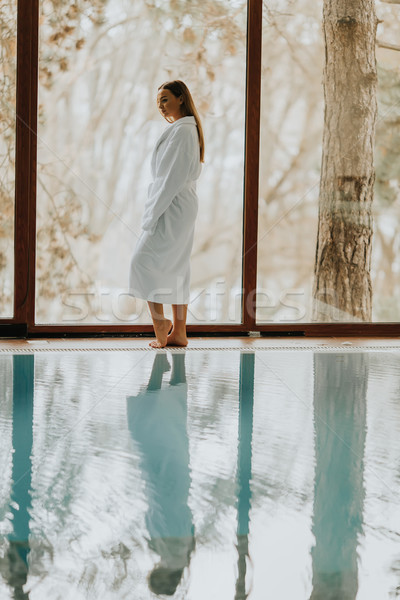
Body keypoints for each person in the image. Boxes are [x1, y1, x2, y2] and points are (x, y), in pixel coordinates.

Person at [129, 80, 205, 348]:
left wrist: (151, 215)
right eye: (158, 101)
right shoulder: (183, 130)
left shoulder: (184, 132)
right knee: (177, 267)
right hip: (181, 204)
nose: (160, 106)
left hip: (173, 204)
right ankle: (179, 332)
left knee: (142, 261)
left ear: (181, 98)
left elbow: (170, 180)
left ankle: (160, 323)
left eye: (165, 99)